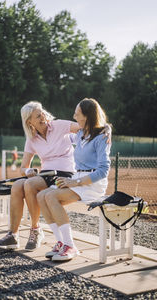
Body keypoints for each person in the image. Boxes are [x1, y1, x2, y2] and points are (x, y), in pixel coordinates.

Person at [0, 101, 110, 251]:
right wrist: (28, 172)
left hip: (65, 172)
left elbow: (87, 126)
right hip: (45, 174)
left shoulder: (59, 125)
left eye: (42, 113)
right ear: (29, 122)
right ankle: (12, 235)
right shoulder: (31, 139)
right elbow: (23, 168)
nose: (42, 117)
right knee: (17, 186)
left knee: (30, 185)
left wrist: (107, 128)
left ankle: (35, 230)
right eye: (37, 116)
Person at [37, 98, 111, 262]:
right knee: (41, 196)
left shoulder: (101, 138)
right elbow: (61, 138)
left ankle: (70, 246)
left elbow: (103, 170)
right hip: (77, 179)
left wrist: (76, 182)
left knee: (51, 196)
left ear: (87, 116)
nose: (74, 116)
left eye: (77, 114)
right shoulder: (79, 134)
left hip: (93, 183)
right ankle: (61, 242)